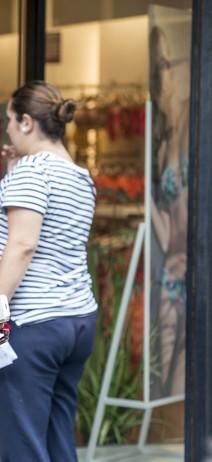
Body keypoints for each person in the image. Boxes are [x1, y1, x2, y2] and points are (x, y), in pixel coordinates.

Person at [0, 81, 98, 462]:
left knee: (21, 444)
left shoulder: (32, 173)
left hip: (31, 322)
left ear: (27, 122)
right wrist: (15, 170)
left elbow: (23, 244)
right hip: (75, 317)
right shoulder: (79, 175)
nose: (7, 130)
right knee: (57, 438)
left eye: (10, 121)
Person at [149, 26, 189, 397]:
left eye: (164, 64)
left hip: (193, 261)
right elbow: (164, 210)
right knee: (168, 366)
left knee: (184, 363)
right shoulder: (162, 140)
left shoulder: (195, 125)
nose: (159, 76)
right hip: (173, 263)